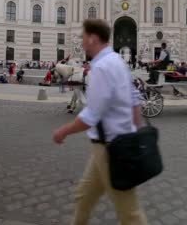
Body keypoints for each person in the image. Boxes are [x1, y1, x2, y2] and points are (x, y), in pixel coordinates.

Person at [52, 19, 147, 224]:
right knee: (83, 198)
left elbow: (91, 116)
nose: (82, 42)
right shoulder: (116, 61)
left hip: (112, 148)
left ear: (93, 38)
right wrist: (135, 131)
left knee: (130, 214)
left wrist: (63, 131)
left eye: (84, 37)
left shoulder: (102, 67)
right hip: (106, 146)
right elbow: (134, 101)